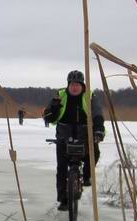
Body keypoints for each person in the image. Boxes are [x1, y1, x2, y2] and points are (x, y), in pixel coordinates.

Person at [43, 70, 105, 211]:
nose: (75, 87)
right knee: (62, 168)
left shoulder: (89, 96)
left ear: (82, 85)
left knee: (94, 153)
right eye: (72, 84)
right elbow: (49, 118)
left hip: (85, 134)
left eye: (77, 84)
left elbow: (97, 114)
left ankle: (87, 176)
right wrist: (54, 107)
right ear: (68, 85)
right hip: (64, 135)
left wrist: (99, 130)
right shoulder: (61, 95)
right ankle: (63, 200)